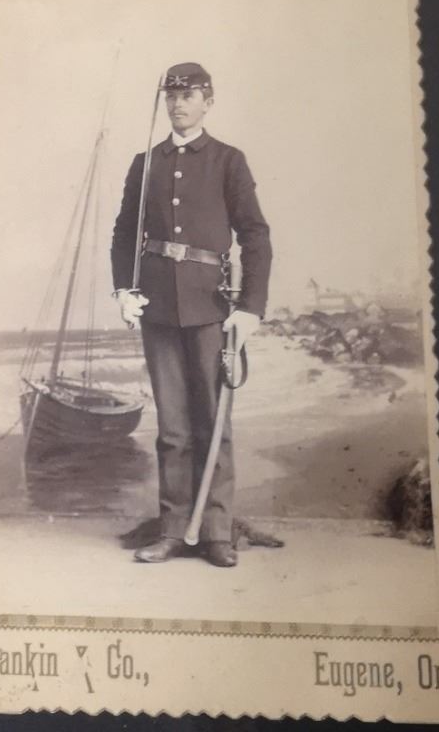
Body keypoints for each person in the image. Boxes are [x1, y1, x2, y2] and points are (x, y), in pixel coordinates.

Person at [110, 61, 270, 568]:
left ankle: (217, 533)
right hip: (158, 307)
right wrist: (124, 289)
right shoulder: (146, 162)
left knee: (214, 423)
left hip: (211, 308)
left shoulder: (228, 160)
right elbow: (125, 232)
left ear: (208, 102)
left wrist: (251, 308)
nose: (178, 104)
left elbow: (255, 235)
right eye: (172, 96)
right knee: (172, 428)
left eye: (189, 95)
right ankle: (174, 530)